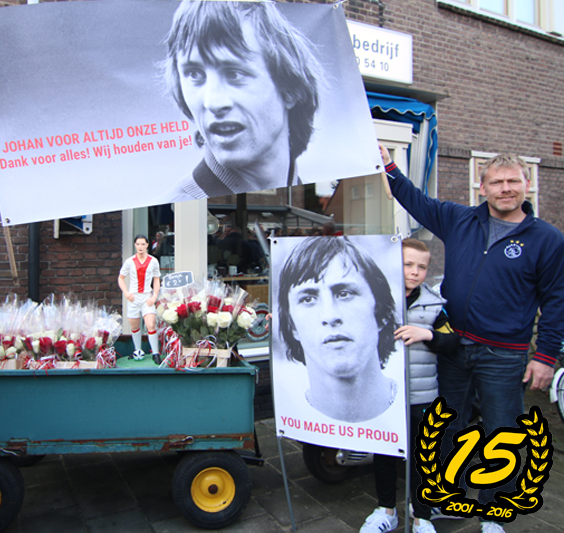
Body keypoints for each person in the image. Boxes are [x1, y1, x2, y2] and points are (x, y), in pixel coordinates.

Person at [381, 146, 564, 533]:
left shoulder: (547, 239)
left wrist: (546, 356)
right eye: (496, 182)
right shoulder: (459, 219)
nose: (505, 188)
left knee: (501, 432)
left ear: (527, 184)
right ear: (482, 188)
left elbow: (556, 300)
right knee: (449, 427)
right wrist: (389, 165)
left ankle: (493, 511)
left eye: (513, 181)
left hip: (504, 354)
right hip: (452, 346)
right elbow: (416, 201)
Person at [161, 0, 323, 200]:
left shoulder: (312, 196)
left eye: (234, 74)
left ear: (289, 88)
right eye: (195, 74)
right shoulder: (172, 208)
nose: (213, 103)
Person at [360, 238, 459, 533]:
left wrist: (428, 334)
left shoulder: (434, 305)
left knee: (423, 458)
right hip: (384, 394)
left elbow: (452, 341)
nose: (415, 272)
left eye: (422, 267)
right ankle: (386, 510)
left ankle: (422, 516)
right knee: (384, 453)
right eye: (408, 264)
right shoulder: (372, 298)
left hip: (422, 397)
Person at [277, 236, 400, 423]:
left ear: (381, 313)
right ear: (292, 325)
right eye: (308, 299)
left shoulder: (406, 409)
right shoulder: (293, 415)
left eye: (344, 294)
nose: (330, 316)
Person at [118, 234, 161, 363]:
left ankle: (155, 353)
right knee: (134, 325)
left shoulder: (153, 261)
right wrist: (126, 293)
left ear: (147, 245)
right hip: (133, 298)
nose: (140, 247)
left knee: (151, 324)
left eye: (143, 244)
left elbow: (157, 279)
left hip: (147, 297)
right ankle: (137, 350)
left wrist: (154, 296)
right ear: (135, 245)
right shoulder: (129, 261)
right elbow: (121, 278)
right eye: (138, 244)